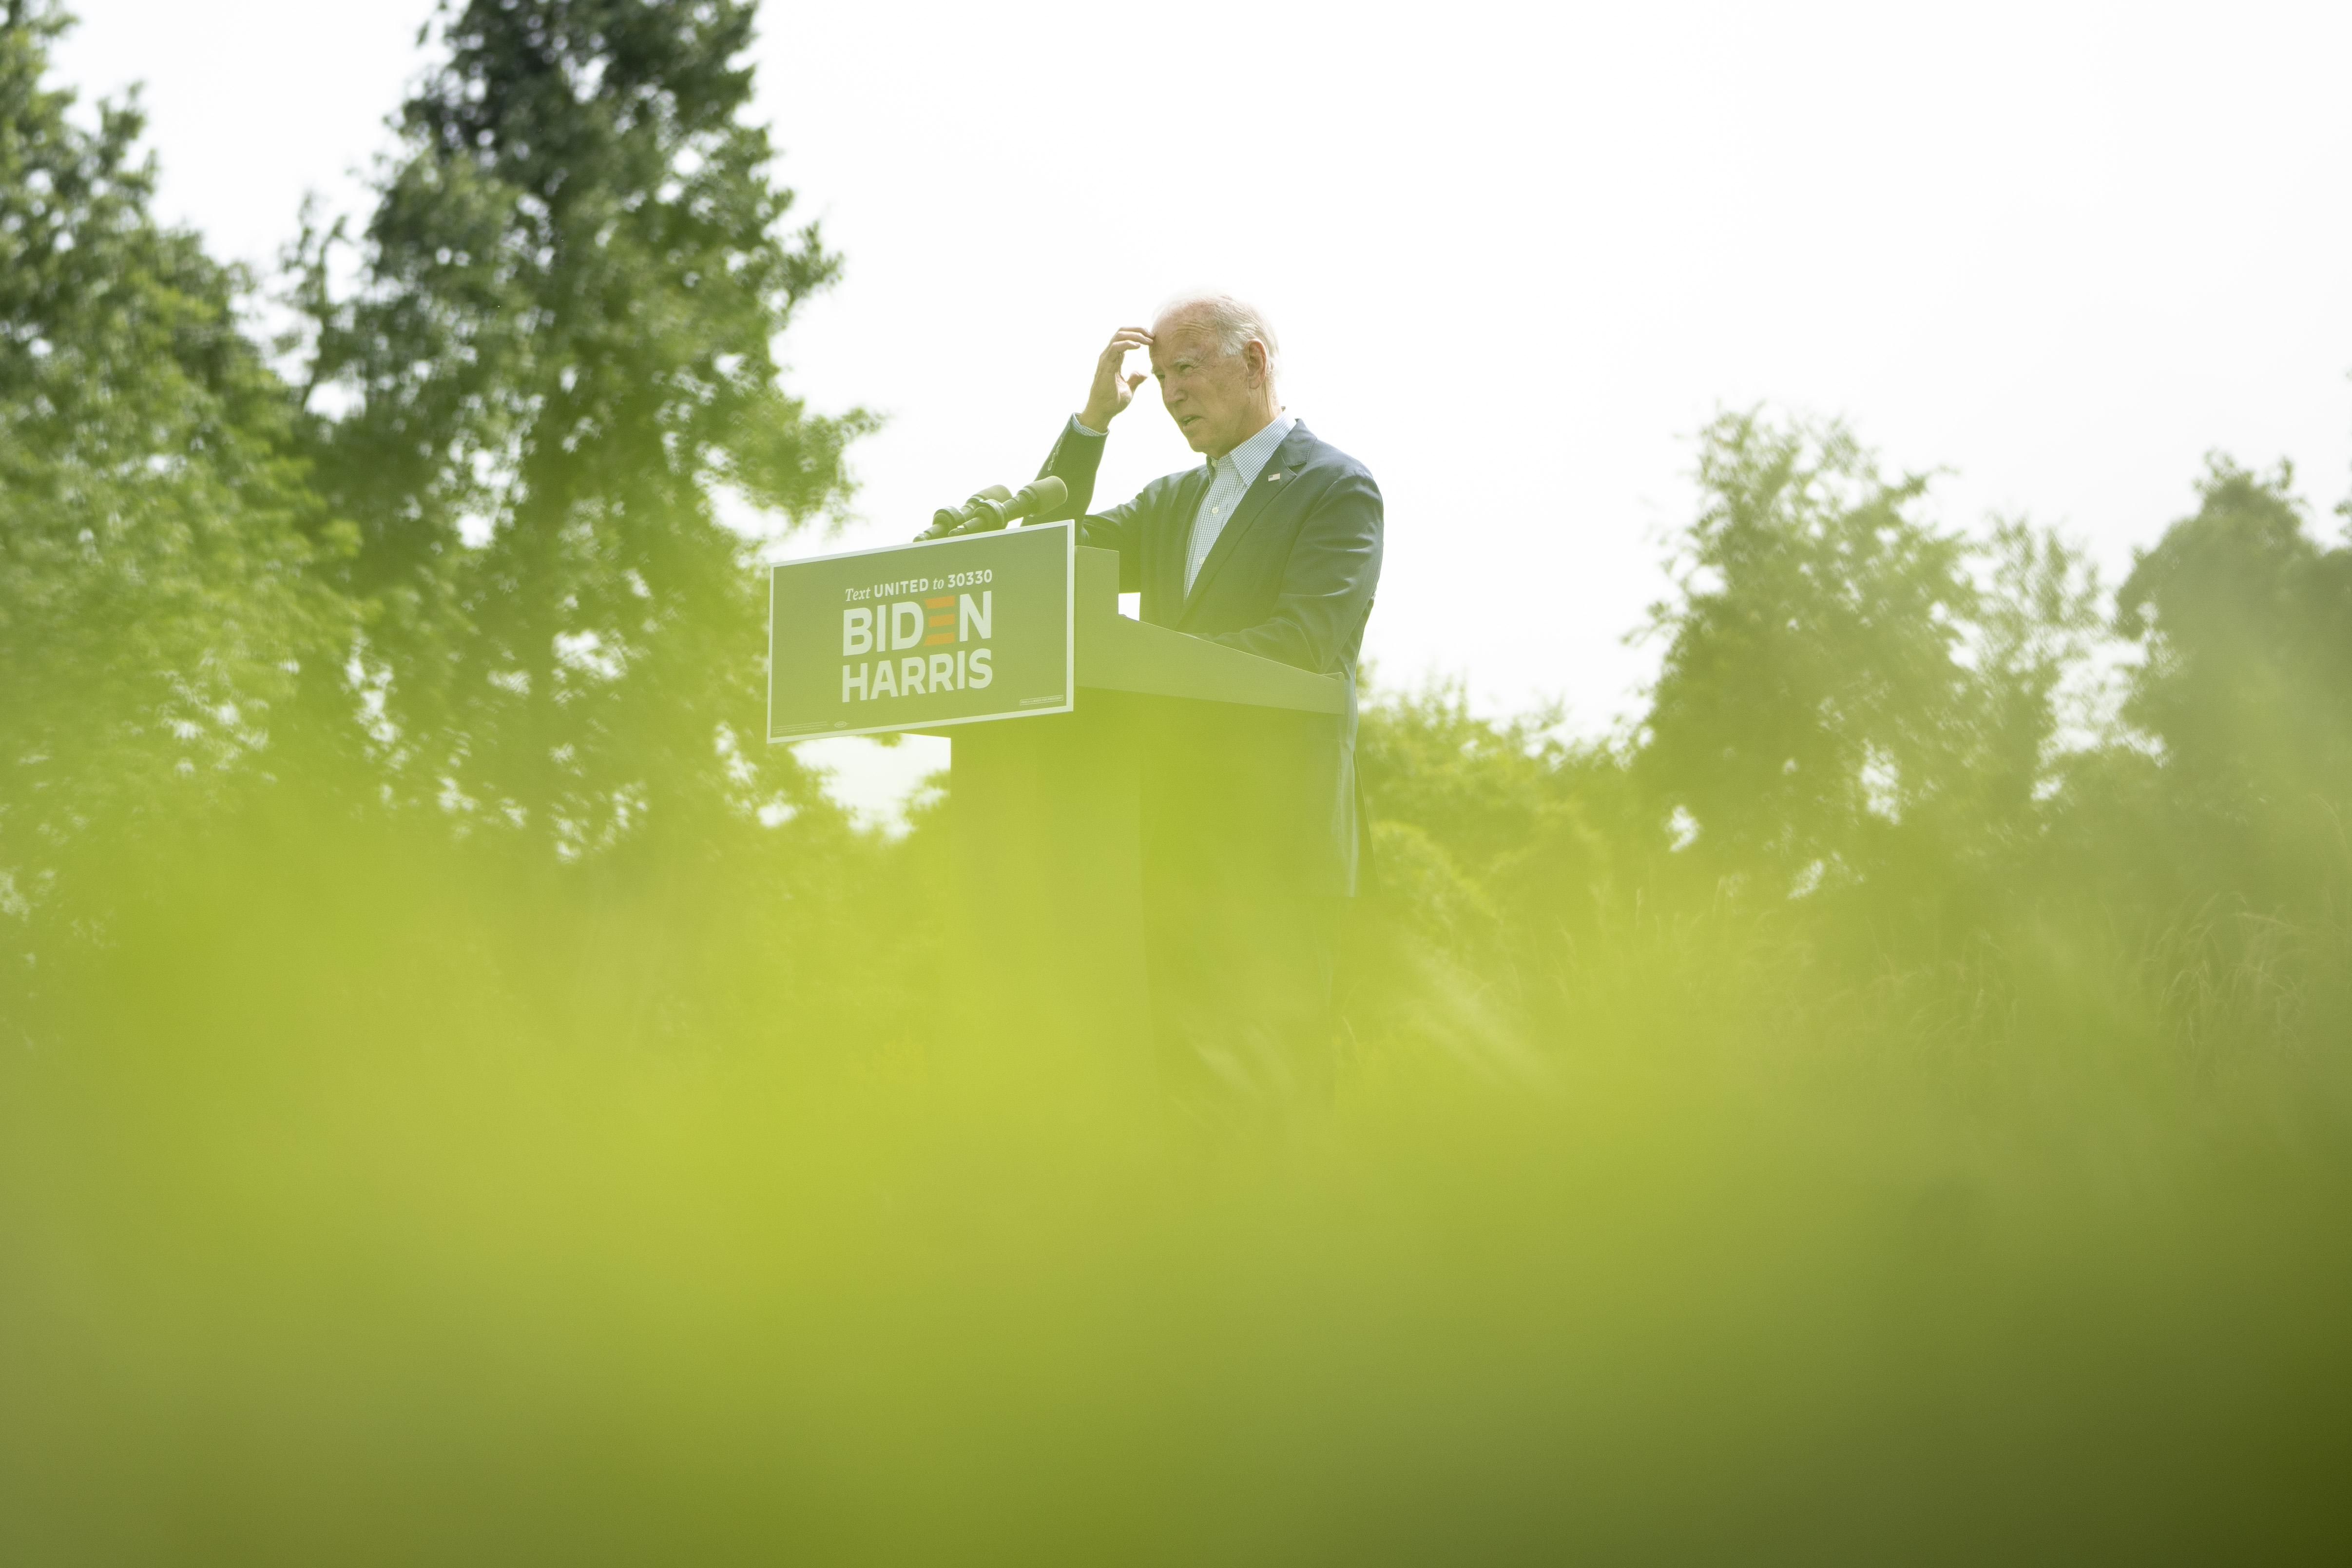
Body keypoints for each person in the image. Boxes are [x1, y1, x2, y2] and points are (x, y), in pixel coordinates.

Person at [1031, 292, 1383, 1125]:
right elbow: (1043, 553)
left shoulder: (1336, 488)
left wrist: (1143, 675)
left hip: (1276, 856)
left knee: (1276, 1107)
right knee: (1184, 1108)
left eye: (1185, 368)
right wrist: (1090, 426)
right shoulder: (1168, 504)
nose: (1171, 394)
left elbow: (1304, 642)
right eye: (1157, 379)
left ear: (1253, 361)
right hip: (1169, 853)